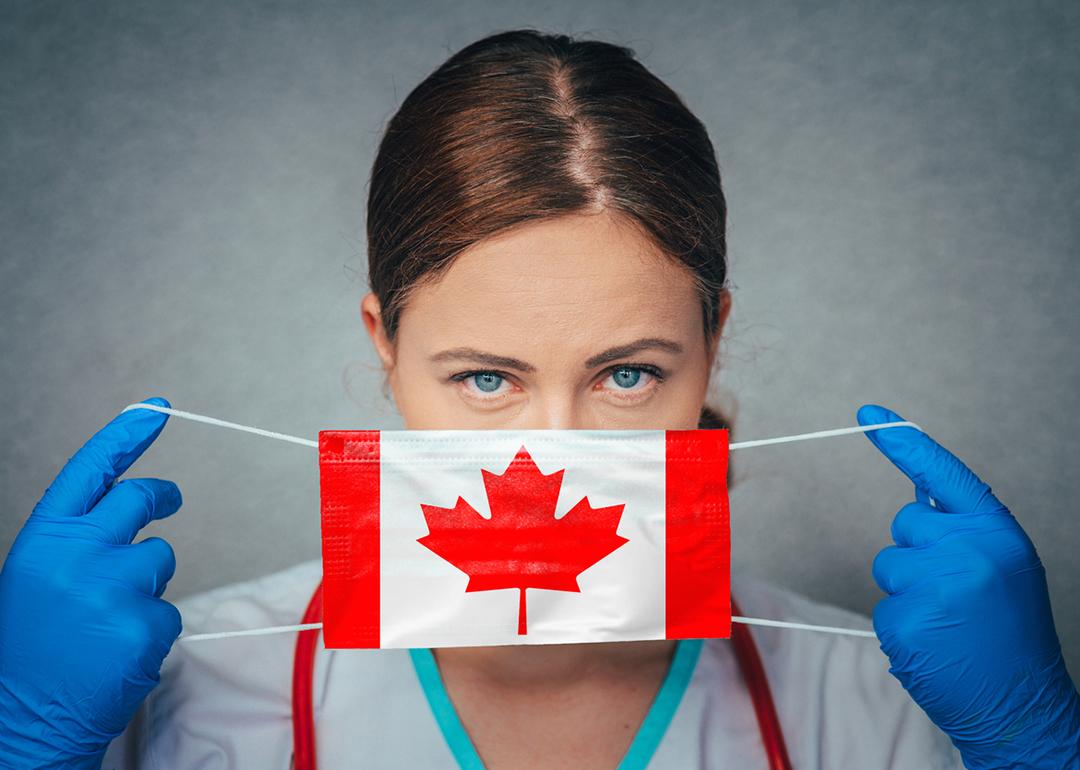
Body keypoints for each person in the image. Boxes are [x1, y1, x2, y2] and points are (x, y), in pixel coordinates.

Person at [2, 28, 1078, 770]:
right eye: (485, 377)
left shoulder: (889, 704)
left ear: (713, 343)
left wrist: (1036, 747)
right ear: (385, 346)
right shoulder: (173, 693)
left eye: (627, 374)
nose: (550, 457)